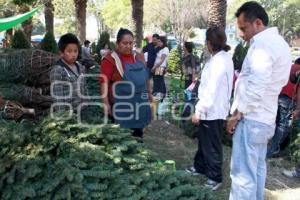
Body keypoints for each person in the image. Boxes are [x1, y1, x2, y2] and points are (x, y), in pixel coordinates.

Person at [226, 2, 292, 200]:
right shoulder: (279, 42)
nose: (241, 34)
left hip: (251, 117)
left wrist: (236, 116)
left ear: (258, 23)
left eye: (243, 28)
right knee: (256, 170)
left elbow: (256, 87)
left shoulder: (263, 45)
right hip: (265, 116)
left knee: (242, 176)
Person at [185, 27, 233, 191]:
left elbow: (212, 90)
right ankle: (200, 167)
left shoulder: (220, 61)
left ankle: (215, 177)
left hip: (213, 110)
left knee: (212, 145)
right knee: (203, 141)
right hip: (211, 108)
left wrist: (199, 110)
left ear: (209, 43)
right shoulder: (218, 58)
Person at [100, 28, 152, 138]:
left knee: (138, 135)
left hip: (139, 104)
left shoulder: (139, 57)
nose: (128, 46)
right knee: (122, 137)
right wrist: (105, 103)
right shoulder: (110, 60)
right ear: (117, 43)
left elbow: (146, 78)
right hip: (121, 107)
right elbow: (104, 82)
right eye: (124, 43)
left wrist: (149, 94)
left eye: (130, 43)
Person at [267, 57, 300, 158]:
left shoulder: (290, 67)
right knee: (284, 125)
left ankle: (266, 145)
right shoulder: (298, 71)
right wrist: (298, 109)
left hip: (278, 95)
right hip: (289, 99)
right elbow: (299, 92)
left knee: (275, 121)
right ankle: (273, 150)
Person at [50, 33, 87, 113]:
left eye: (75, 51)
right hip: (69, 115)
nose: (73, 54)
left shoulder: (80, 67)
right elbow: (58, 99)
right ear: (62, 52)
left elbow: (85, 88)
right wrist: (64, 119)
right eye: (69, 51)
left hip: (83, 111)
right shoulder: (58, 70)